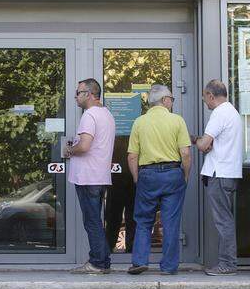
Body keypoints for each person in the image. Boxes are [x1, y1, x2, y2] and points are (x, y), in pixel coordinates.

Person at [126, 85, 191, 275]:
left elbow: (132, 155)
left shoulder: (139, 122)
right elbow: (185, 153)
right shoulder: (177, 121)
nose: (172, 101)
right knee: (170, 222)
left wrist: (138, 178)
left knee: (144, 220)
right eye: (171, 98)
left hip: (148, 175)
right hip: (172, 174)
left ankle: (139, 261)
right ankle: (169, 267)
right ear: (164, 100)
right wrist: (185, 175)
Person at [65, 78, 116, 274]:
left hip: (88, 176)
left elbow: (85, 146)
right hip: (100, 175)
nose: (76, 97)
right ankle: (102, 260)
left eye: (78, 93)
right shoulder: (107, 114)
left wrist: (70, 150)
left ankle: (98, 263)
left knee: (92, 221)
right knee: (96, 219)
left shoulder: (90, 115)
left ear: (89, 94)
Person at [193, 80, 242, 276]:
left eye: (205, 97)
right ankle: (227, 262)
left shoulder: (219, 113)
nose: (205, 102)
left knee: (223, 221)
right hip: (228, 173)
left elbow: (204, 144)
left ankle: (227, 264)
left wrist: (195, 139)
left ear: (211, 95)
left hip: (219, 173)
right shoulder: (233, 112)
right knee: (226, 219)